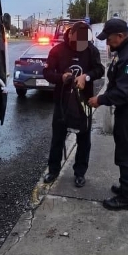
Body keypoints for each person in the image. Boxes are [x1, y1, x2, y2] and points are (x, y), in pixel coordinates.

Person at [88, 17, 128, 210]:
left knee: (125, 152)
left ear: (121, 36)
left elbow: (125, 90)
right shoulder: (124, 51)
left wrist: (100, 99)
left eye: (110, 38)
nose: (107, 42)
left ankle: (126, 198)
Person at [43, 20, 103, 188]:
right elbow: (47, 72)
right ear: (70, 34)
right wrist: (60, 77)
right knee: (58, 138)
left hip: (84, 101)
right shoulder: (57, 50)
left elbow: (100, 70)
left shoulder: (91, 50)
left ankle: (80, 173)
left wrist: (87, 77)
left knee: (84, 138)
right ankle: (53, 170)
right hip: (62, 101)